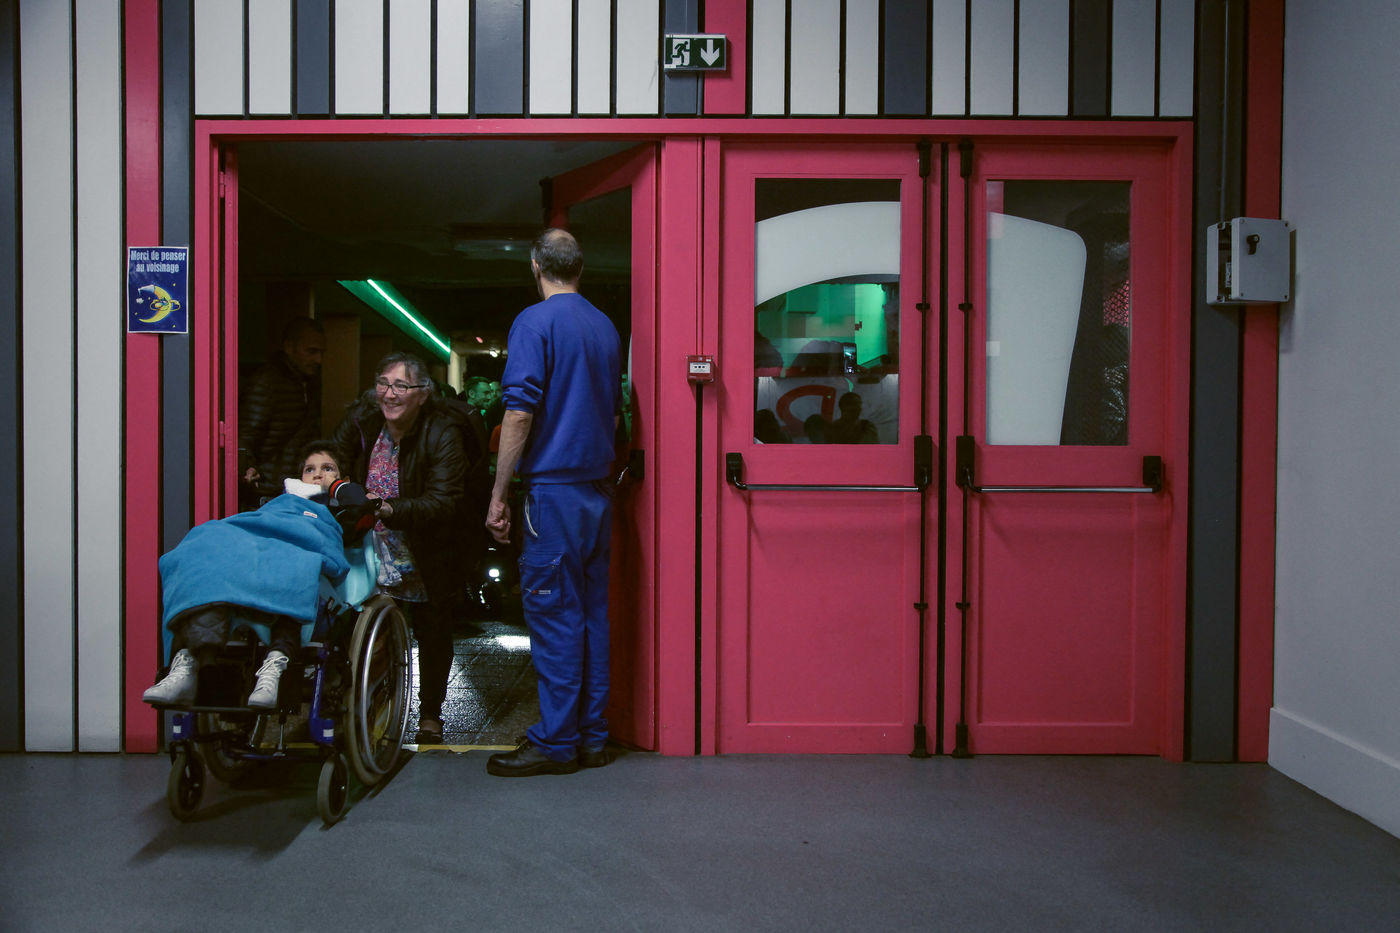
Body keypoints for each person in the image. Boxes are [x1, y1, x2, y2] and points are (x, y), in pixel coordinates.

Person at [485, 228, 622, 777]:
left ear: (536, 266)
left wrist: (499, 494)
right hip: (597, 493)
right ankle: (591, 736)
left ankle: (556, 742)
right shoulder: (605, 326)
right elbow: (614, 411)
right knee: (591, 616)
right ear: (579, 268)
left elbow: (519, 411)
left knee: (555, 617)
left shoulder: (534, 322)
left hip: (554, 496)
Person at [143, 442, 352, 710]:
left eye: (328, 468)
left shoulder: (344, 509)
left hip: (298, 553)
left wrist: (337, 489)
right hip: (262, 550)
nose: (318, 474)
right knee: (205, 541)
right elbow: (257, 526)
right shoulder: (281, 503)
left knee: (295, 561)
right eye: (309, 469)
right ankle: (189, 662)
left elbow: (344, 530)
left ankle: (274, 668)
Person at [330, 352, 470, 744]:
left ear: (423, 394)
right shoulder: (362, 421)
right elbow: (330, 459)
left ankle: (430, 715)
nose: (389, 394)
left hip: (426, 547)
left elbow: (444, 499)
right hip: (369, 547)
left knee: (433, 631)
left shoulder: (442, 433)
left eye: (401, 386)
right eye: (383, 383)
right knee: (364, 632)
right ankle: (367, 708)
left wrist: (391, 509)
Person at [240, 318, 327, 504]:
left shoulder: (309, 383)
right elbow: (246, 435)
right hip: (267, 492)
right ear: (289, 347)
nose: (318, 360)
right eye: (311, 351)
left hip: (295, 488)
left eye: (321, 353)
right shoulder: (267, 383)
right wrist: (248, 468)